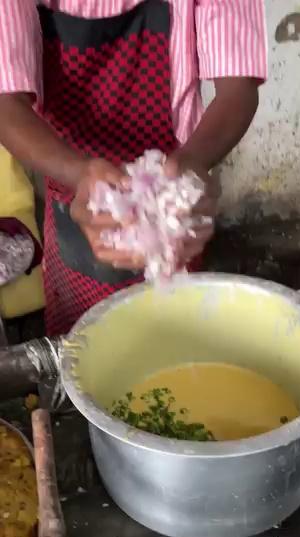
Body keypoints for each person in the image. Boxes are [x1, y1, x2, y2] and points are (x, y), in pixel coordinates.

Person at [0, 0, 267, 336]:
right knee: (84, 348)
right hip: (69, 192)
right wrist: (79, 174)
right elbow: (6, 103)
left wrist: (192, 165)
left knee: (173, 342)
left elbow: (238, 90)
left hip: (172, 206)